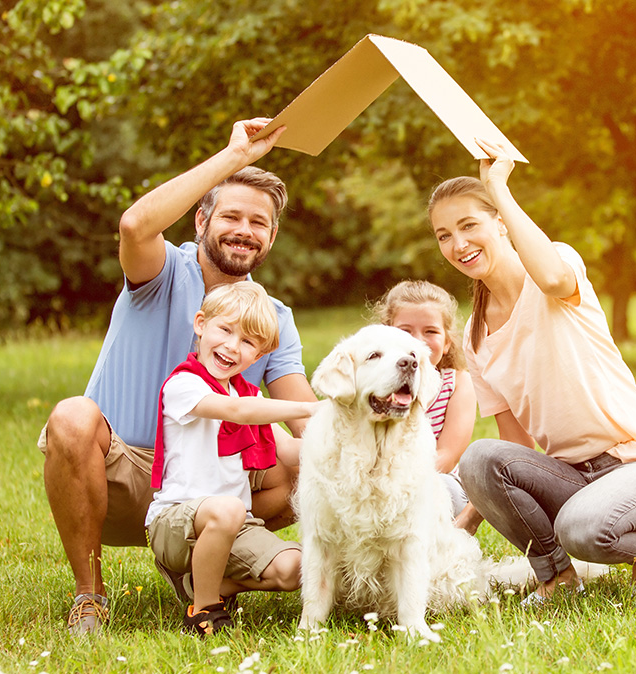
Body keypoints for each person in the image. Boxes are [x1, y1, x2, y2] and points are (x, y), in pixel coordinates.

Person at [39, 118, 318, 635]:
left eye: (259, 222)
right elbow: (133, 226)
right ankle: (89, 596)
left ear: (272, 235)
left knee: (311, 462)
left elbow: (309, 421)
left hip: (209, 485)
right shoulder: (161, 270)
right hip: (121, 472)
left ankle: (206, 575)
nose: (244, 230)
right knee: (72, 417)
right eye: (230, 216)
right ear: (200, 223)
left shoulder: (272, 316)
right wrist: (236, 157)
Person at [427, 139, 636, 605]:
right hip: (576, 478)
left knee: (581, 529)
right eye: (443, 235)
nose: (458, 244)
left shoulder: (554, 271)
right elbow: (515, 447)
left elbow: (553, 278)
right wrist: (467, 523)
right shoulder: (474, 335)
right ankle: (556, 579)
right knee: (478, 458)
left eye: (469, 225)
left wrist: (499, 187)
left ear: (500, 222)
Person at [147, 281, 321, 636]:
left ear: (257, 357)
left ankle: (207, 583)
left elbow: (289, 451)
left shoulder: (247, 393)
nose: (231, 346)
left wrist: (350, 439)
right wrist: (313, 407)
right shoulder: (184, 385)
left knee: (298, 568)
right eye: (224, 330)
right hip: (174, 522)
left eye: (247, 342)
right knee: (228, 508)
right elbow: (237, 411)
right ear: (201, 324)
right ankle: (204, 610)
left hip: (234, 526)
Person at [371, 280, 476, 517]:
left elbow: (447, 456)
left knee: (444, 490)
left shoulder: (457, 383)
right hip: (375, 485)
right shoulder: (373, 388)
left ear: (447, 342)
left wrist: (397, 486)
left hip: (435, 482)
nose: (417, 341)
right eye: (405, 331)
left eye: (431, 331)